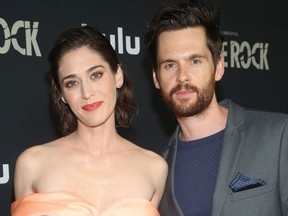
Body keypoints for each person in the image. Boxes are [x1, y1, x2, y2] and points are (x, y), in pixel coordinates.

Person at [144, 0, 288, 215]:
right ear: (156, 78)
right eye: (170, 65)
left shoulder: (279, 136)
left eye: (195, 61)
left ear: (218, 67)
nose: (182, 76)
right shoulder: (157, 169)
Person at [11, 26, 168, 216]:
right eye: (72, 83)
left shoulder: (154, 169)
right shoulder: (32, 164)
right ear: (62, 94)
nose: (87, 93)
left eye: (96, 75)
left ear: (117, 76)